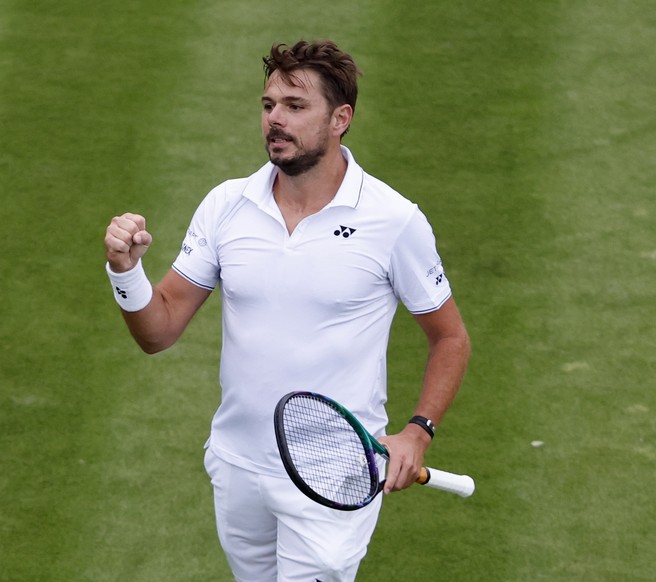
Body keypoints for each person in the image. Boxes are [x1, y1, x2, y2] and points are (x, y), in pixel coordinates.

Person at [103, 39, 470, 582]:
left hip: (334, 472)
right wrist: (125, 271)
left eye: (296, 107)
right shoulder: (226, 205)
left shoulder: (393, 220)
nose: (275, 119)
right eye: (269, 104)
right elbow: (157, 331)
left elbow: (450, 338)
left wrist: (417, 432)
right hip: (237, 464)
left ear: (340, 119)